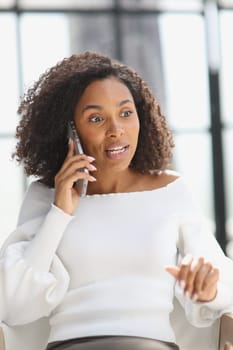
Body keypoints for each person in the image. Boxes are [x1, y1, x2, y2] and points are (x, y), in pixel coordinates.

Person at [0, 51, 233, 350]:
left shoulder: (171, 189)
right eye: (96, 118)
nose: (116, 130)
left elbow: (220, 278)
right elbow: (12, 303)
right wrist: (60, 213)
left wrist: (207, 291)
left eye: (125, 113)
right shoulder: (46, 196)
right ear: (70, 130)